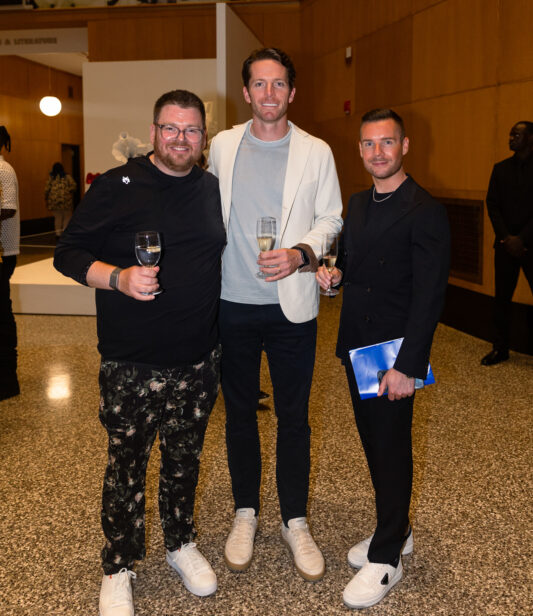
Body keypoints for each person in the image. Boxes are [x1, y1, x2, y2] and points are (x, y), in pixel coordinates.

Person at [54, 90, 226, 616]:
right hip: (132, 361)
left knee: (184, 461)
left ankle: (180, 543)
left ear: (203, 137)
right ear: (153, 132)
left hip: (198, 360)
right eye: (171, 128)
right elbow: (67, 253)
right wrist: (118, 278)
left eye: (191, 130)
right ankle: (118, 564)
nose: (181, 139)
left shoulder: (211, 188)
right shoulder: (116, 185)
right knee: (126, 466)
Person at [208, 47, 342, 582]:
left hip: (292, 308)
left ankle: (295, 520)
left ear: (292, 92)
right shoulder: (222, 145)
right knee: (239, 414)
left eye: (279, 83)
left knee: (294, 417)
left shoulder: (316, 151)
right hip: (231, 302)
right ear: (245, 92)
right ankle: (245, 512)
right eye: (259, 84)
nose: (269, 93)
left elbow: (332, 217)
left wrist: (302, 254)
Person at [317, 108, 449, 609]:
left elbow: (429, 297)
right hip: (358, 346)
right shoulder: (358, 202)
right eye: (369, 144)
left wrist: (409, 367)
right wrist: (335, 278)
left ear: (405, 145)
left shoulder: (425, 209)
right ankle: (398, 528)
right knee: (374, 445)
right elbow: (352, 263)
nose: (378, 152)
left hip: (394, 354)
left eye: (387, 142)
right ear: (360, 150)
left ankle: (388, 554)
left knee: (392, 449)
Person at [482, 121, 533, 365]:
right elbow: (492, 204)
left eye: (517, 134)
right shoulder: (500, 168)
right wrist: (507, 238)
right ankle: (500, 348)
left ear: (531, 138)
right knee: (501, 299)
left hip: (531, 244)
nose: (511, 137)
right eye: (511, 134)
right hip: (505, 246)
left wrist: (522, 238)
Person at [0, 126, 20, 402]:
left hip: (4, 251)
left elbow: (8, 207)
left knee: (2, 314)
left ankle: (7, 380)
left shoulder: (3, 170)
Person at [44, 162, 77, 237]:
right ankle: (65, 232)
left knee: (57, 218)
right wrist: (68, 191)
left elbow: (46, 189)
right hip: (66, 201)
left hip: (54, 202)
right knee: (67, 217)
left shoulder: (51, 178)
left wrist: (46, 199)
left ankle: (58, 233)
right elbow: (74, 186)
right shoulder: (67, 177)